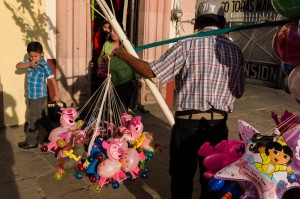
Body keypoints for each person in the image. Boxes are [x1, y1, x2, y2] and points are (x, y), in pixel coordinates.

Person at [115, 0, 245, 198]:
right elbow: (238, 91)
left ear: (197, 23)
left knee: (181, 179)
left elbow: (151, 71)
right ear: (223, 23)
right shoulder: (235, 51)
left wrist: (124, 55)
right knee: (213, 181)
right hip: (217, 127)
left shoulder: (186, 44)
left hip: (187, 125)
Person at [16, 41, 60, 149]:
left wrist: (57, 94)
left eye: (36, 56)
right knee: (41, 116)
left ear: (42, 54)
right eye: (31, 56)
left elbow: (52, 79)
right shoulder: (29, 62)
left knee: (33, 118)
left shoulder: (44, 65)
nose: (33, 58)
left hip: (39, 96)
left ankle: (31, 141)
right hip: (31, 95)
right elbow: (18, 66)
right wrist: (29, 64)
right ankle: (52, 134)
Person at [98, 27, 138, 111]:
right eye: (111, 31)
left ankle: (122, 122)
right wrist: (101, 64)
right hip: (108, 79)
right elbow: (101, 58)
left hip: (123, 80)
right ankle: (111, 123)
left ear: (121, 32)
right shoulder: (107, 44)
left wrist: (136, 78)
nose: (112, 33)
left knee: (121, 105)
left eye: (115, 31)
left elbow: (135, 62)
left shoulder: (128, 46)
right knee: (109, 104)